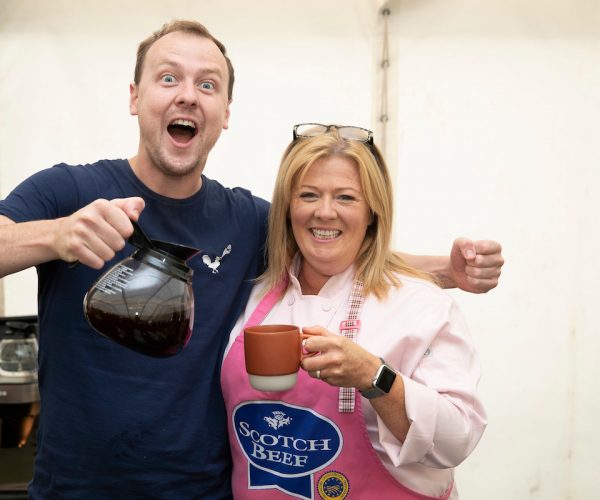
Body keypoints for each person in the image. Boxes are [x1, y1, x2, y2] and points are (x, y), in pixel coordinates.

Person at [0, 21, 501, 499]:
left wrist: (445, 271)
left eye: (208, 84)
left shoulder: (246, 219)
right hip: (75, 489)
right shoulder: (68, 190)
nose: (188, 95)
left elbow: (334, 245)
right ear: (135, 97)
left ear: (226, 111)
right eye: (168, 77)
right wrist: (56, 234)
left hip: (206, 492)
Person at [221, 124, 486, 499]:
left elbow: (457, 439)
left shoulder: (420, 305)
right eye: (308, 195)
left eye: (345, 198)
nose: (324, 212)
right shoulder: (256, 291)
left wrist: (373, 376)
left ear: (373, 212)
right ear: (287, 208)